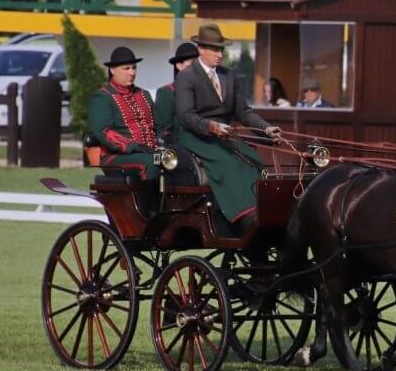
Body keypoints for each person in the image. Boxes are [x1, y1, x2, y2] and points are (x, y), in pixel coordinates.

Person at [175, 24, 282, 226]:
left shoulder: (228, 76)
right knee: (230, 164)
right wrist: (211, 127)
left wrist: (265, 128)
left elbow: (243, 111)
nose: (219, 54)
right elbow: (185, 116)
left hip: (225, 135)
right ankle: (240, 214)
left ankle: (258, 208)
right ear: (200, 49)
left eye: (221, 49)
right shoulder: (186, 77)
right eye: (215, 49)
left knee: (254, 159)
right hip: (196, 136)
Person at [88, 47, 159, 179]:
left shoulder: (144, 94)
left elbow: (158, 125)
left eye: (134, 68)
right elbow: (104, 131)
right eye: (126, 68)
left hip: (150, 152)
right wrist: (134, 146)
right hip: (116, 157)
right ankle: (151, 200)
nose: (131, 73)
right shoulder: (102, 97)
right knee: (152, 162)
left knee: (179, 162)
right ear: (112, 70)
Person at [154, 42, 200, 144]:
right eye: (192, 65)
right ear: (179, 65)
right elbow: (162, 131)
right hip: (182, 148)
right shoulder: (167, 93)